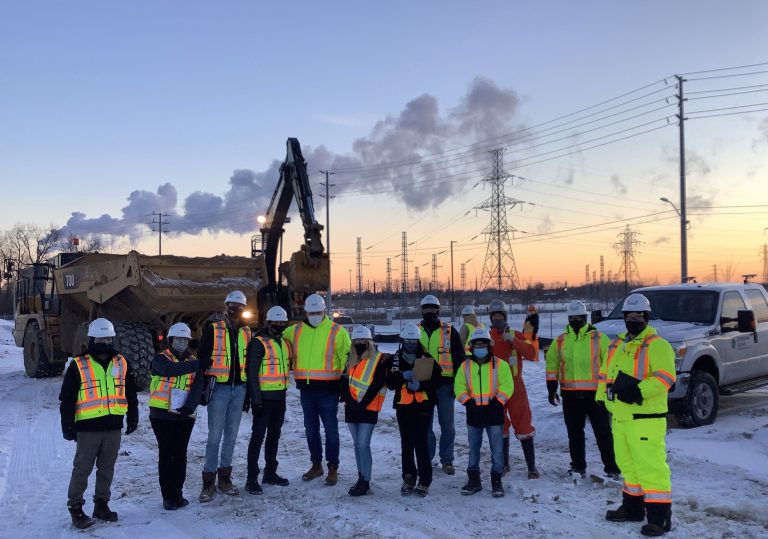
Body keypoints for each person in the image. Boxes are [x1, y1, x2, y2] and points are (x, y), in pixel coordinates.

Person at [598, 293, 676, 536]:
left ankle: (659, 518)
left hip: (646, 419)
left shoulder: (657, 345)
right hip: (620, 418)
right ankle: (632, 509)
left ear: (646, 316)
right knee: (628, 466)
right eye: (628, 316)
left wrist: (637, 392)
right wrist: (602, 401)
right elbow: (604, 376)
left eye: (637, 316)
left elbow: (666, 378)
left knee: (651, 468)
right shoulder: (616, 345)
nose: (632, 320)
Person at [59, 318, 139, 529]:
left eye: (107, 338)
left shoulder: (121, 362)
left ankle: (101, 505)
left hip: (113, 427)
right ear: (92, 339)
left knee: (107, 468)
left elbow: (130, 392)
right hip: (87, 429)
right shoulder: (78, 364)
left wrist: (133, 416)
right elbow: (67, 399)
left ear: (112, 339)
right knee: (82, 469)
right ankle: (76, 508)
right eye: (100, 338)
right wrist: (67, 426)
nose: (104, 342)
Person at [545, 301, 620, 480]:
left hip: (596, 395)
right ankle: (578, 466)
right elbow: (552, 364)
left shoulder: (599, 338)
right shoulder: (561, 340)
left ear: (586, 318)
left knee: (603, 433)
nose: (576, 320)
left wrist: (609, 389)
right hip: (570, 395)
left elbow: (611, 366)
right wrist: (551, 388)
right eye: (572, 318)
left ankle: (612, 468)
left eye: (579, 317)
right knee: (574, 433)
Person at [284, 293, 351, 486]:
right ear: (305, 312)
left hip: (329, 391)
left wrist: (343, 386)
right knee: (311, 430)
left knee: (331, 430)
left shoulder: (337, 331)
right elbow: (275, 339)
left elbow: (347, 359)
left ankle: (332, 467)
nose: (315, 315)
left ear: (324, 311)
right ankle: (316, 465)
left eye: (318, 312)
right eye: (311, 312)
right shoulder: (295, 331)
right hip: (306, 391)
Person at [198, 290, 252, 502]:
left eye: (239, 307)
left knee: (230, 437)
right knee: (214, 437)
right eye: (232, 305)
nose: (235, 309)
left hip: (239, 390)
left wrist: (248, 392)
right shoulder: (213, 329)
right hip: (219, 389)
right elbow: (202, 358)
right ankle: (208, 483)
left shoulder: (247, 332)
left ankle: (225, 479)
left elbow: (249, 362)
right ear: (226, 306)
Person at [148, 322, 204, 510]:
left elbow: (198, 386)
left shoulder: (192, 361)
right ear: (171, 340)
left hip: (184, 415)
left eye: (185, 340)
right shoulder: (160, 359)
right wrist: (199, 364)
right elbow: (170, 371)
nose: (181, 342)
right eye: (178, 339)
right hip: (162, 415)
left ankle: (177, 494)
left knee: (180, 455)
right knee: (167, 454)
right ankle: (167, 497)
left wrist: (190, 406)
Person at [455, 327, 514, 498]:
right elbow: (459, 386)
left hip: (494, 413)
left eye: (483, 344)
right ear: (472, 347)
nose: (480, 347)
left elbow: (507, 385)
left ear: (489, 346)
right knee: (473, 448)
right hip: (474, 413)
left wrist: (498, 402)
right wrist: (467, 401)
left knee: (497, 449)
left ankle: (497, 480)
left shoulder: (501, 365)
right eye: (477, 345)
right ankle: (474, 480)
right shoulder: (465, 366)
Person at [386, 323, 443, 497]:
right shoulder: (394, 360)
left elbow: (437, 381)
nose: (411, 344)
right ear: (402, 341)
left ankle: (424, 481)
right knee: (406, 443)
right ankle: (409, 477)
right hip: (403, 407)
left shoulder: (427, 358)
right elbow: (389, 384)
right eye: (407, 341)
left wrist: (421, 385)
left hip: (422, 407)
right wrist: (401, 376)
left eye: (414, 341)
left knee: (421, 444)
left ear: (418, 341)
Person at [487, 299, 539, 478]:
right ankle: (504, 465)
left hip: (516, 387)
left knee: (524, 424)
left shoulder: (515, 334)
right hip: (495, 388)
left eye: (501, 316)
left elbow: (532, 354)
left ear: (506, 317)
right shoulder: (486, 338)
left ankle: (531, 468)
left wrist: (514, 341)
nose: (498, 319)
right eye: (495, 317)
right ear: (491, 318)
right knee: (500, 426)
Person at [244, 306, 291, 495]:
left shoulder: (284, 343)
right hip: (263, 399)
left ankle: (270, 472)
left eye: (282, 323)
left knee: (274, 436)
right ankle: (251, 478)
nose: (279, 326)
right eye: (276, 323)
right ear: (268, 323)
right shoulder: (258, 343)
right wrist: (256, 401)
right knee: (257, 438)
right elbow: (252, 374)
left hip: (280, 398)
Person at [418, 294, 465, 475]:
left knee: (447, 426)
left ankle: (447, 460)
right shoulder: (416, 330)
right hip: (424, 386)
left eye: (433, 308)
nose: (429, 311)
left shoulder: (449, 331)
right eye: (426, 308)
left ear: (438, 310)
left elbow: (460, 360)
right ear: (422, 310)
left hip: (445, 386)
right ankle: (427, 459)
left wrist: (458, 384)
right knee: (425, 426)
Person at [340, 325, 388, 496]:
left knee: (363, 444)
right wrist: (350, 401)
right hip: (352, 407)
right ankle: (360, 478)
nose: (360, 343)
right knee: (357, 445)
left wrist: (362, 404)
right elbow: (343, 381)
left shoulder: (378, 359)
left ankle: (365, 481)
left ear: (369, 341)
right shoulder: (350, 358)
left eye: (363, 340)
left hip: (368, 408)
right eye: (357, 340)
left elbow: (376, 384)